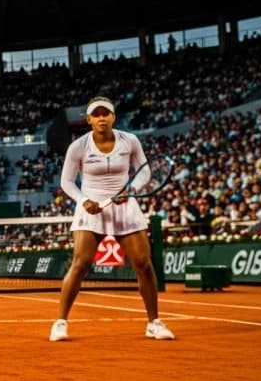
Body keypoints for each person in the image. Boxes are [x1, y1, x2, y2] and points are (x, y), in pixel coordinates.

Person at [50, 97, 173, 342]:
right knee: (80, 264)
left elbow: (145, 171)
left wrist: (132, 189)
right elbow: (66, 181)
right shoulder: (78, 147)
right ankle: (60, 323)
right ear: (89, 120)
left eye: (106, 113)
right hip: (90, 207)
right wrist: (84, 200)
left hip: (125, 206)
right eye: (96, 114)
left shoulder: (130, 140)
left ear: (113, 117)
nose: (102, 118)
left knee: (144, 264)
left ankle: (154, 323)